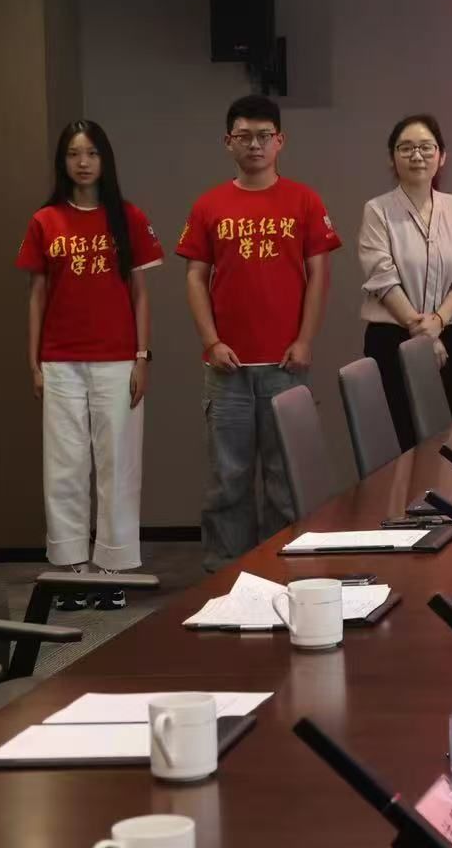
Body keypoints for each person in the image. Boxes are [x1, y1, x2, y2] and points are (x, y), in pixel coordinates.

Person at [178, 95, 341, 571]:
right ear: (228, 142)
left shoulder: (304, 200)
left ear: (280, 141)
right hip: (226, 369)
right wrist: (211, 341)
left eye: (264, 136)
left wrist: (305, 339)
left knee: (284, 478)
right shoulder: (209, 204)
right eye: (244, 136)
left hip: (285, 365)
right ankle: (224, 574)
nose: (255, 145)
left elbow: (319, 274)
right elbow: (194, 278)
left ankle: (283, 569)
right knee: (227, 480)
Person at [17, 121, 163, 608]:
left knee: (118, 464)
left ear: (105, 160)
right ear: (63, 162)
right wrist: (34, 361)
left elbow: (140, 294)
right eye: (74, 154)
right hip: (60, 361)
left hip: (117, 360)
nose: (83, 162)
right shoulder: (46, 220)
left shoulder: (128, 217)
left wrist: (142, 356)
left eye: (92, 153)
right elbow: (37, 295)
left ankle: (113, 568)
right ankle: (72, 569)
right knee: (64, 466)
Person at [358, 114, 452, 449]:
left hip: (448, 337)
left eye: (426, 147)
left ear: (442, 156)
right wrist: (422, 331)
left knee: (448, 440)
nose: (417, 155)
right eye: (406, 148)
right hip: (391, 339)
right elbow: (381, 276)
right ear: (392, 157)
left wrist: (437, 323)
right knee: (397, 443)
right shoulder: (377, 210)